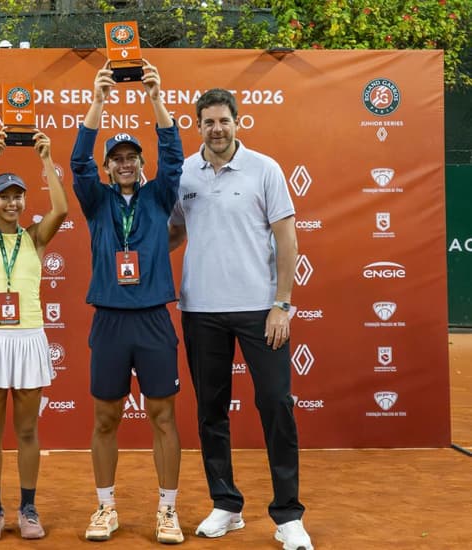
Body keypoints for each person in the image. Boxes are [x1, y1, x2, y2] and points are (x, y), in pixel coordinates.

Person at [168, 88, 313, 550]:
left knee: (276, 405)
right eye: (208, 122)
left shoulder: (264, 169)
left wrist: (282, 303)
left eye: (223, 121)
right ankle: (226, 504)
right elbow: (173, 230)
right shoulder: (184, 171)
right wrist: (135, 253)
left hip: (259, 311)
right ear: (198, 126)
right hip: (199, 310)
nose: (216, 129)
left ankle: (288, 515)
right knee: (211, 413)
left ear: (237, 122)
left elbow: (287, 239)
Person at [70, 59, 185, 544]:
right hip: (111, 322)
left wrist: (155, 94)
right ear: (108, 166)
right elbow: (77, 162)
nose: (124, 162)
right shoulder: (96, 201)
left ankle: (167, 510)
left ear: (140, 162)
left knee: (163, 416)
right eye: (116, 157)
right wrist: (98, 100)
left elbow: (175, 154)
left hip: (155, 318)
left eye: (131, 156)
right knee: (106, 417)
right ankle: (105, 507)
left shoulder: (159, 196)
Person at [0, 129, 68, 541]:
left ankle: (27, 507)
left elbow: (60, 207)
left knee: (26, 432)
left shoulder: (35, 238)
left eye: (18, 196)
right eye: (4, 196)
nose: (12, 202)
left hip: (28, 338)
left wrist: (45, 158)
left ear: (25, 202)